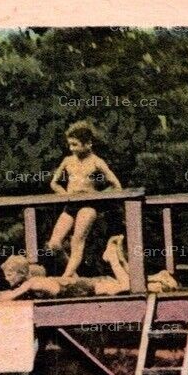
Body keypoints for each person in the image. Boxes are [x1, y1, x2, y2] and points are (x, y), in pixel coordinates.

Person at [46, 121, 122, 282]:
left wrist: (98, 195)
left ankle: (66, 277)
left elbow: (116, 185)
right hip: (71, 204)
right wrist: (64, 193)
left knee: (77, 240)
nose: (72, 148)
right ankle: (74, 275)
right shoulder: (67, 161)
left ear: (88, 144)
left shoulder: (96, 161)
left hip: (89, 205)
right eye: (70, 145)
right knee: (54, 244)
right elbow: (54, 183)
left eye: (75, 145)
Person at [0, 235, 135, 300]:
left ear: (22, 273)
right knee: (131, 285)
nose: (6, 278)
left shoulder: (32, 283)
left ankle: (113, 256)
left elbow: (7, 297)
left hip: (89, 287)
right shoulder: (32, 280)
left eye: (10, 274)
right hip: (82, 287)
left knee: (128, 288)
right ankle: (117, 256)